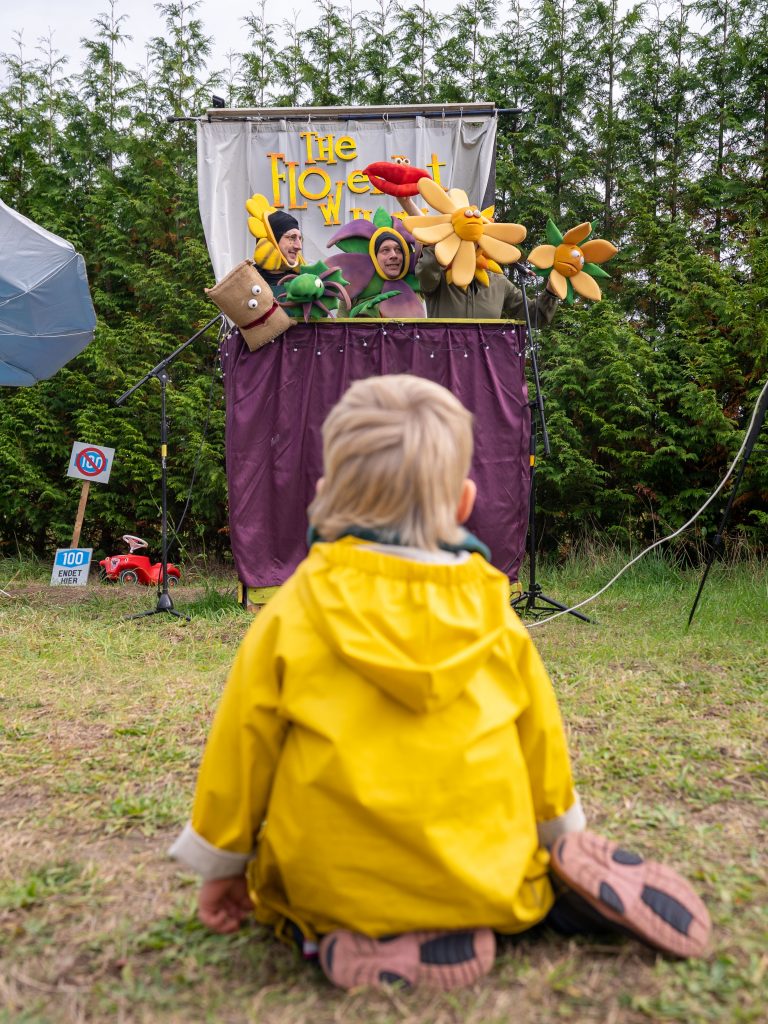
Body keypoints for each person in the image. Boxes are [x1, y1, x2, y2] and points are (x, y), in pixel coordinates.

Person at [170, 375, 711, 991]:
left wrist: (221, 866)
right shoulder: (495, 612)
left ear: (322, 493)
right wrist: (566, 837)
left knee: (304, 902)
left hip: (338, 883)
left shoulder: (292, 612)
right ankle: (536, 899)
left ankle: (341, 934)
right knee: (514, 869)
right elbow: (541, 742)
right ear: (463, 503)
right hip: (490, 873)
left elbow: (241, 755)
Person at [416, 243, 561, 322]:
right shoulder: (438, 278)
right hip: (445, 367)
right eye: (461, 239)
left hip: (486, 369)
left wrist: (555, 283)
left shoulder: (499, 282)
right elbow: (427, 268)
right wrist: (439, 240)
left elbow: (535, 316)